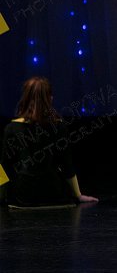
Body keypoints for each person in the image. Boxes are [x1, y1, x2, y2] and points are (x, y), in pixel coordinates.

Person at [0, 77, 98, 208]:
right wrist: (77, 195)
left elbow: (4, 166)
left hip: (23, 197)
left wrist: (1, 197)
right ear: (50, 99)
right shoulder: (59, 126)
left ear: (25, 98)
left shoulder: (12, 128)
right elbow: (67, 165)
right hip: (54, 194)